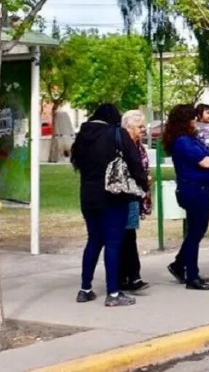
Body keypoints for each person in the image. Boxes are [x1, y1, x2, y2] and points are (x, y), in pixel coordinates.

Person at [70, 104, 149, 307]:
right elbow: (134, 162)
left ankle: (85, 289)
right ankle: (113, 293)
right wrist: (142, 183)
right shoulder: (116, 133)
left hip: (88, 196)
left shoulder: (82, 136)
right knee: (113, 242)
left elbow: (76, 162)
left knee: (94, 240)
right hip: (113, 195)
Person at [164, 104, 209, 290]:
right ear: (185, 122)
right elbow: (207, 161)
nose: (195, 123)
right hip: (194, 190)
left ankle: (178, 264)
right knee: (195, 232)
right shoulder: (183, 141)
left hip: (202, 189)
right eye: (192, 119)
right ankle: (192, 275)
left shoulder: (192, 139)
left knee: (196, 231)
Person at [119, 110, 153, 292]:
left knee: (129, 235)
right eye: (140, 127)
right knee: (127, 235)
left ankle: (128, 276)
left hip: (137, 194)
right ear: (129, 127)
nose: (143, 130)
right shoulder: (124, 145)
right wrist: (143, 178)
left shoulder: (138, 146)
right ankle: (131, 276)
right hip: (127, 194)